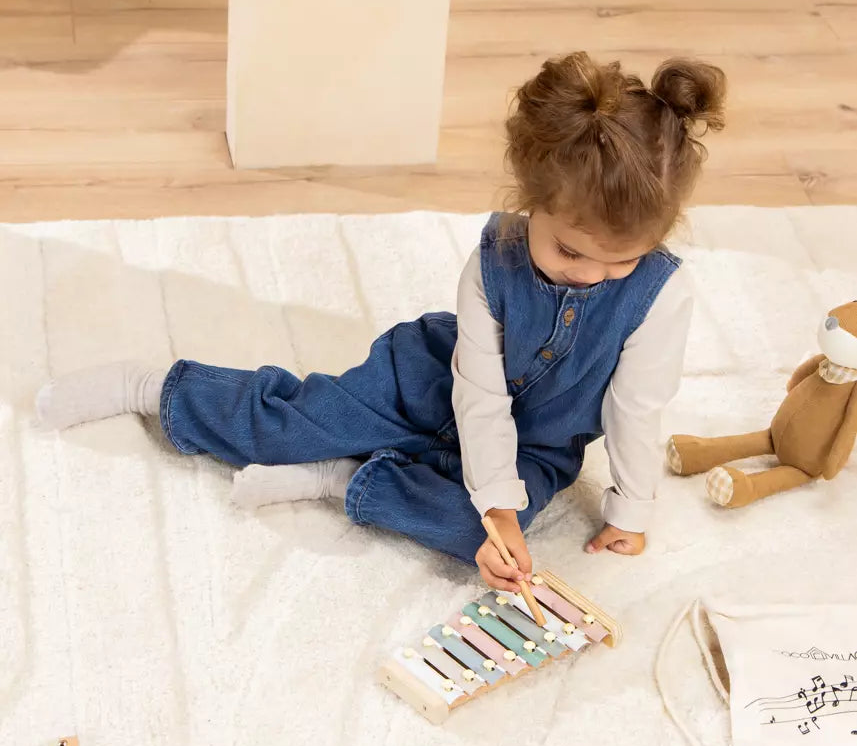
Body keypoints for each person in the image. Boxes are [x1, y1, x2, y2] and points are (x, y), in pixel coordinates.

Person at [36, 52, 725, 593]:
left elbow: (637, 410)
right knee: (289, 425)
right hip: (425, 380)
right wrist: (494, 502)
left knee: (482, 534)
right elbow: (478, 394)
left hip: (536, 445)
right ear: (529, 202)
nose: (587, 274)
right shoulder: (493, 260)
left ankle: (343, 480)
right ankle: (157, 388)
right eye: (569, 251)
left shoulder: (663, 296)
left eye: (619, 263)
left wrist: (625, 513)